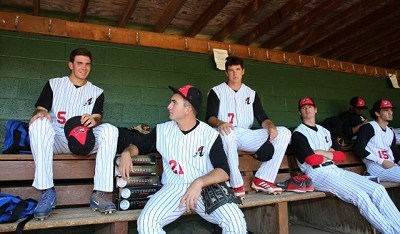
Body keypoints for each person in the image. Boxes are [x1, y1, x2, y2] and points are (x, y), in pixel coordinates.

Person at [118, 84, 247, 234]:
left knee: (236, 222)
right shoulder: (162, 130)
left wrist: (199, 182)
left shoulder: (210, 134)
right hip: (174, 187)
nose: (168, 106)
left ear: (187, 109)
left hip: (204, 188)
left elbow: (224, 171)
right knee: (147, 223)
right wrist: (127, 153)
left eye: (174, 102)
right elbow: (139, 145)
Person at [29, 48, 118, 219]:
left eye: (87, 64)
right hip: (56, 139)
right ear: (71, 65)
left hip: (83, 141)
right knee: (39, 124)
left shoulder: (97, 92)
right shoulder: (54, 84)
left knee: (110, 130)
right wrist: (39, 114)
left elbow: (98, 117)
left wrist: (94, 120)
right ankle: (47, 191)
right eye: (79, 63)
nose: (83, 68)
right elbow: (40, 109)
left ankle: (99, 193)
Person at [291, 97, 400, 234]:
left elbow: (341, 156)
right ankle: (391, 232)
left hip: (334, 169)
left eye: (310, 106)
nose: (307, 109)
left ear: (316, 109)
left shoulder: (325, 131)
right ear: (299, 112)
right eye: (303, 108)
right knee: (361, 196)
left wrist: (320, 152)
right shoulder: (298, 133)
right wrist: (329, 153)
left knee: (378, 190)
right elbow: (311, 160)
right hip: (316, 173)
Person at [206, 56, 291, 198]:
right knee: (228, 132)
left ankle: (263, 179)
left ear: (243, 71)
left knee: (284, 132)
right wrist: (220, 123)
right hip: (224, 133)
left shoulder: (251, 93)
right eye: (231, 70)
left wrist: (271, 127)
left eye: (237, 69)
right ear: (226, 73)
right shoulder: (216, 91)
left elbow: (262, 117)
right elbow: (209, 117)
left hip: (245, 134)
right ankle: (236, 184)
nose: (234, 73)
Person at [354, 98, 400, 183]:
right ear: (377, 113)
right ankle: (369, 175)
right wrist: (381, 161)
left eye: (391, 110)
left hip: (391, 165)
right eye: (386, 110)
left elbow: (394, 152)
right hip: (376, 167)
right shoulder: (368, 127)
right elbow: (358, 149)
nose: (390, 113)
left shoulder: (390, 132)